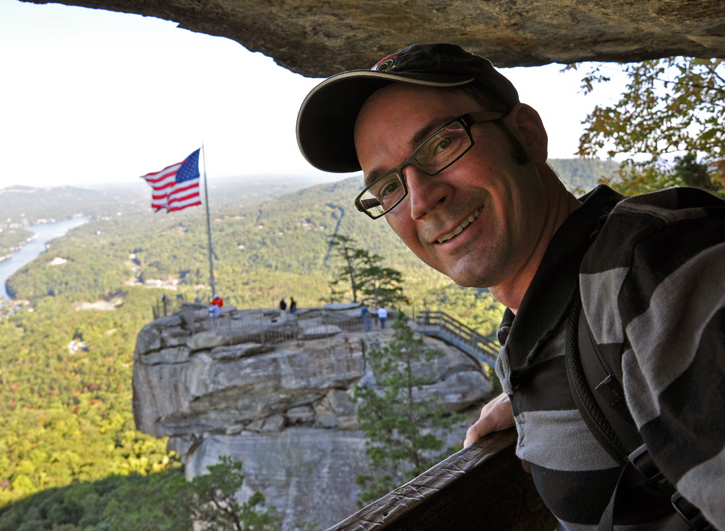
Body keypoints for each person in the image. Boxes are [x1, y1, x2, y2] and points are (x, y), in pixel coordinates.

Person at [296, 43, 724, 530]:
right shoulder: (555, 321)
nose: (420, 201)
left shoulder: (659, 270)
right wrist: (541, 400)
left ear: (526, 135)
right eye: (389, 187)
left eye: (442, 143)